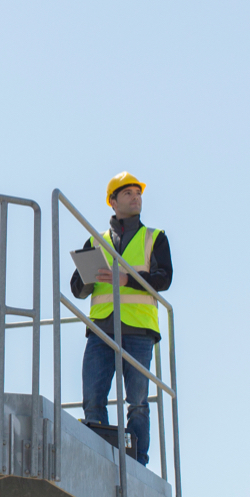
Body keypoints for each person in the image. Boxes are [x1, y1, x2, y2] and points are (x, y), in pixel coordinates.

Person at [70, 171, 173, 467]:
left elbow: (164, 279)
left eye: (138, 193)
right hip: (101, 330)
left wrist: (129, 279)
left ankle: (137, 463)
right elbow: (76, 288)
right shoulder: (96, 239)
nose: (136, 197)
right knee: (92, 399)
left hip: (138, 330)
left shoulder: (155, 237)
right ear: (113, 202)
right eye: (128, 193)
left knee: (138, 404)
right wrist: (88, 279)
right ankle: (99, 459)